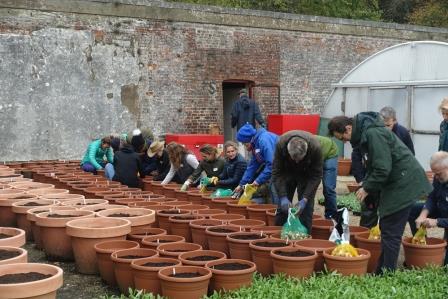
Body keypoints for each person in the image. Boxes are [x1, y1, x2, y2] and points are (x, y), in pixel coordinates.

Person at [328, 112, 431, 274]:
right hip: (397, 182)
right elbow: (374, 166)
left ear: (348, 128)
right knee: (387, 226)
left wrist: (367, 187)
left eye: (342, 138)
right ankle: (381, 271)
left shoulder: (373, 133)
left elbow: (382, 168)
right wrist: (368, 187)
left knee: (391, 231)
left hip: (404, 183)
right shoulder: (367, 134)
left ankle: (387, 274)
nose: (344, 141)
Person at [352, 106, 416, 228]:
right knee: (369, 207)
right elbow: (357, 155)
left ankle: (384, 235)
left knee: (390, 211)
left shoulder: (402, 133)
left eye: (389, 125)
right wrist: (361, 179)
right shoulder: (371, 133)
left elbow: (410, 155)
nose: (386, 128)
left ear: (395, 121)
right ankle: (366, 235)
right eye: (384, 125)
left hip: (393, 178)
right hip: (374, 175)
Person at [272, 130, 323, 232]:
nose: (297, 162)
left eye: (300, 159)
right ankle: (278, 236)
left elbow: (316, 176)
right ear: (288, 151)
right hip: (287, 171)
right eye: (294, 159)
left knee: (306, 209)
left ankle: (304, 237)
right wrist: (283, 196)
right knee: (282, 209)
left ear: (306, 151)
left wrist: (305, 198)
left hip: (306, 173)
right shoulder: (281, 145)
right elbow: (277, 172)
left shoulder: (315, 148)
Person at [408, 151, 448, 265]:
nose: (435, 176)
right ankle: (421, 243)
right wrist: (423, 215)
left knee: (446, 266)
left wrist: (437, 221)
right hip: (442, 209)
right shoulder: (439, 176)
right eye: (434, 173)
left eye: (438, 173)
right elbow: (432, 197)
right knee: (414, 209)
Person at [234, 124, 278, 203]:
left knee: (275, 192)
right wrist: (241, 184)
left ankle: (277, 212)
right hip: (275, 170)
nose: (244, 146)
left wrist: (257, 181)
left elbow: (271, 164)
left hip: (282, 170)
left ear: (249, 139)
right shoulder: (256, 145)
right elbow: (252, 167)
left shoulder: (264, 140)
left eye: (244, 143)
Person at [231, 89, 265, 158]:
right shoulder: (253, 103)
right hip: (251, 130)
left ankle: (243, 161)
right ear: (246, 94)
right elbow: (257, 114)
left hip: (241, 130)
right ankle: (252, 159)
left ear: (240, 95)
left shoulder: (236, 103)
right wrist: (262, 123)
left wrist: (233, 124)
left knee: (241, 146)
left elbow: (234, 116)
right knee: (252, 145)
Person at [316, 135, 339, 219]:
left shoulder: (312, 148)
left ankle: (331, 216)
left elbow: (316, 172)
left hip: (330, 152)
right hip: (319, 152)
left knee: (328, 187)